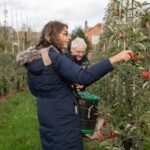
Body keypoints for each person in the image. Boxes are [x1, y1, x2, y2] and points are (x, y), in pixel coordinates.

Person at [16, 20, 132, 150]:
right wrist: (115, 58)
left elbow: (35, 90)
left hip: (46, 116)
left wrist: (65, 84)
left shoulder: (35, 58)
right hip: (64, 119)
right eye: (65, 34)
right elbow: (84, 77)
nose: (69, 37)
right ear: (53, 35)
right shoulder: (54, 56)